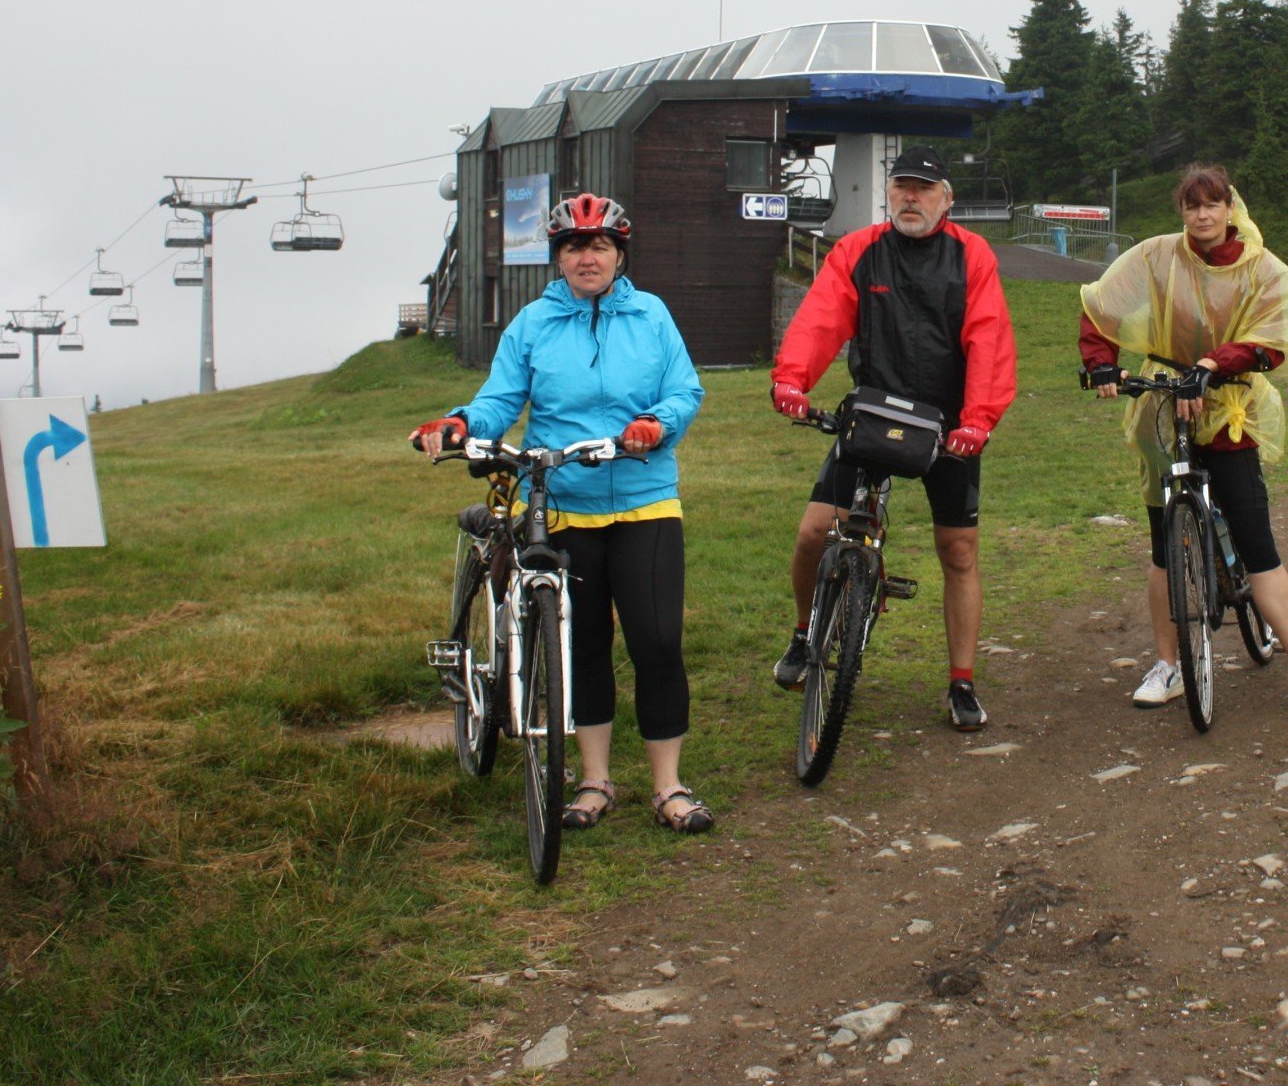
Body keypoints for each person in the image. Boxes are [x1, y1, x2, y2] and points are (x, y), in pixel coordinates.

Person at [410, 194, 711, 833]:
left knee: (657, 642)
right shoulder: (533, 323)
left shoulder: (652, 316)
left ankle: (669, 786)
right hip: (562, 503)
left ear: (619, 254)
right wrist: (463, 423)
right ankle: (595, 780)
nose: (587, 257)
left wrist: (655, 425)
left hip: (643, 499)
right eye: (574, 247)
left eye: (599, 245)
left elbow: (685, 390)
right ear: (558, 259)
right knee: (584, 645)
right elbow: (499, 399)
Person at [1079, 165, 1288, 713]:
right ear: (1181, 211)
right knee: (1163, 545)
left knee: (1257, 543)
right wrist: (1101, 364)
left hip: (1228, 409)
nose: (1201, 216)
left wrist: (1216, 362)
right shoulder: (1155, 256)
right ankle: (1167, 664)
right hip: (1162, 402)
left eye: (1211, 205)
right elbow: (1101, 310)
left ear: (1230, 209)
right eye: (1191, 206)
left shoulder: (1260, 267)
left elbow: (1278, 334)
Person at [770, 145, 1017, 731]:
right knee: (812, 532)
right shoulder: (858, 251)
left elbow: (990, 338)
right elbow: (822, 318)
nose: (911, 196)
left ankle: (961, 681)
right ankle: (806, 635)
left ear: (947, 199)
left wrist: (977, 420)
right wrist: (792, 381)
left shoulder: (971, 255)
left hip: (947, 426)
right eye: (902, 186)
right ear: (889, 193)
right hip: (872, 414)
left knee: (958, 552)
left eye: (925, 188)